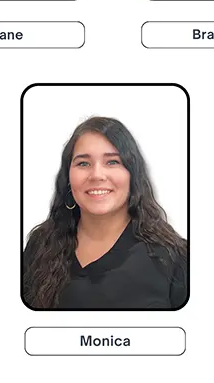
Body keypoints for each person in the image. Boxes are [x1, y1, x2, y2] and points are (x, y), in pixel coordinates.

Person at [23, 116, 188, 310]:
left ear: (133, 174)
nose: (97, 175)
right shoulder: (41, 245)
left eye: (112, 162)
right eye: (83, 163)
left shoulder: (175, 258)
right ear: (68, 177)